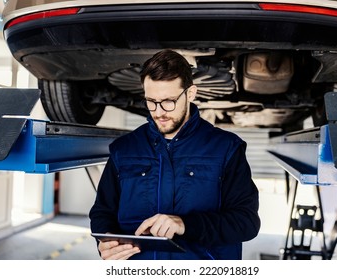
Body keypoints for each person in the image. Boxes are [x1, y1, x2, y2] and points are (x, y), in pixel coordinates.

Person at [89, 49, 260, 260]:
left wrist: (186, 224)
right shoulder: (123, 149)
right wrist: (105, 240)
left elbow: (246, 223)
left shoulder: (226, 148)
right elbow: (102, 212)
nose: (159, 111)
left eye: (168, 101)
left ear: (190, 93)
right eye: (151, 101)